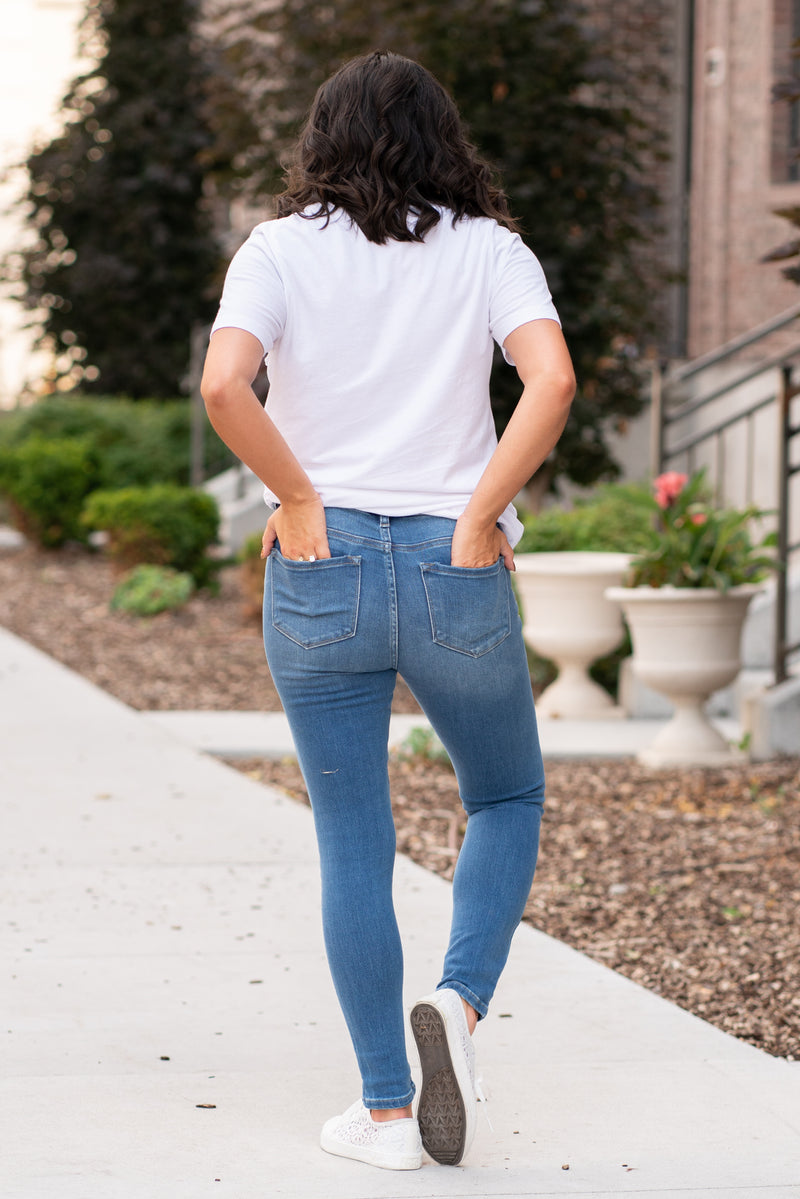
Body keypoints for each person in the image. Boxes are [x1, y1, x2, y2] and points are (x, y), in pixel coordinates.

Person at [202, 49, 575, 1172]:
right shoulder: (490, 249)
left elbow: (223, 384)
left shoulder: (277, 248)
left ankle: (381, 1113)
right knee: (504, 793)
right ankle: (457, 1005)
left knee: (352, 837)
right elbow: (551, 380)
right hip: (450, 561)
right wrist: (480, 515)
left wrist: (297, 494)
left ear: (321, 138)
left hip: (321, 564)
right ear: (442, 140)